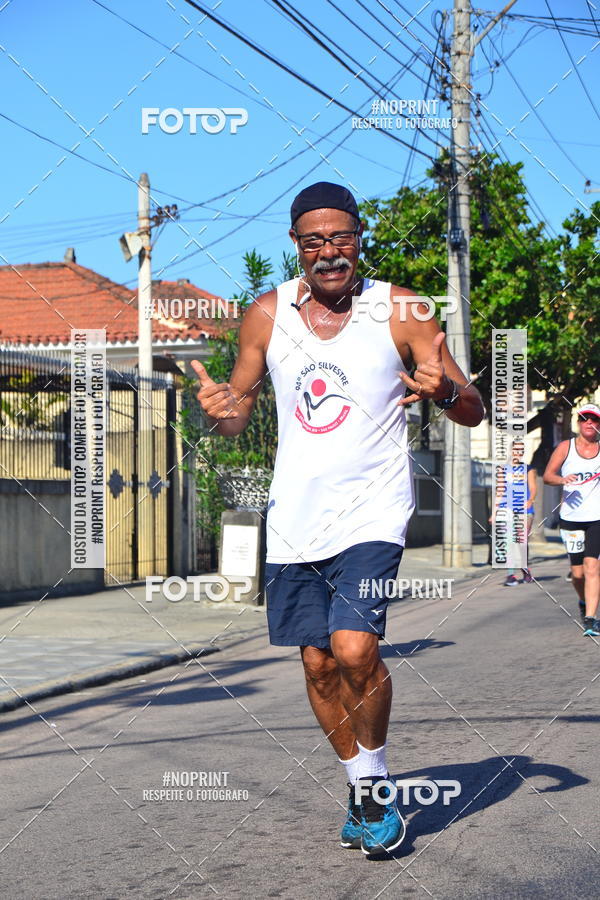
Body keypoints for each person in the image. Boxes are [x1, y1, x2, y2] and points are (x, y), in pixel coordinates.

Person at [192, 181, 484, 855]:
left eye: (342, 237)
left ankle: (376, 791)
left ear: (359, 240)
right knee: (319, 664)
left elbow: (473, 407)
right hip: (294, 515)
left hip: (374, 512)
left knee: (355, 649)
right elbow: (238, 412)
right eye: (315, 240)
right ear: (295, 245)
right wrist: (222, 410)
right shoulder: (268, 314)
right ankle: (363, 787)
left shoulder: (402, 309)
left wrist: (447, 392)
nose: (330, 253)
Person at [543, 403, 600, 636]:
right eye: (585, 418)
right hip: (570, 518)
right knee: (577, 574)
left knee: (592, 567)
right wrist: (563, 480)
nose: (589, 423)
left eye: (594, 419)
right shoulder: (566, 447)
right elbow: (548, 476)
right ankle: (584, 602)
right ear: (578, 423)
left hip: (597, 517)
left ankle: (590, 619)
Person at [490, 449, 537, 587]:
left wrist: (531, 499)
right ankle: (511, 575)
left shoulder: (528, 469)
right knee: (508, 542)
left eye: (520, 451)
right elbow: (500, 491)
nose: (517, 453)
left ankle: (525, 568)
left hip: (524, 511)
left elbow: (533, 487)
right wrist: (494, 513)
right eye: (515, 450)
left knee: (521, 542)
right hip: (507, 511)